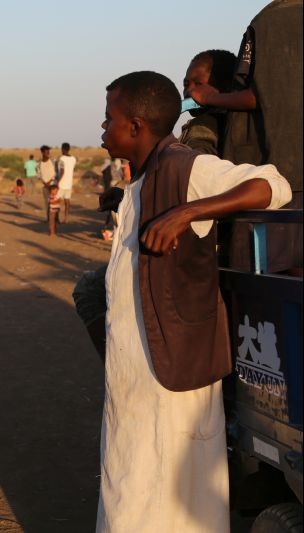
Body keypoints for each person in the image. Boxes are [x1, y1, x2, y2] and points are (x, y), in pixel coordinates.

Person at [96, 71, 291, 532]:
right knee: (131, 485)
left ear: (137, 126)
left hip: (171, 375)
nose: (102, 129)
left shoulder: (185, 166)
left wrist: (187, 212)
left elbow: (272, 184)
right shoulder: (144, 179)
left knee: (174, 499)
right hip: (137, 375)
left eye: (109, 120)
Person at [191, 0, 302, 275]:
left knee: (265, 286)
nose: (191, 93)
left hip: (279, 181)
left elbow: (269, 94)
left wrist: (213, 98)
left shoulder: (276, 20)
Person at [179, 50, 237, 156]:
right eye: (186, 84)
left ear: (225, 87)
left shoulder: (204, 124)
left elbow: (196, 161)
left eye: (198, 84)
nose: (189, 91)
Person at [56, 142, 76, 222]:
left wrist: (58, 181)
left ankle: (57, 217)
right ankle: (66, 218)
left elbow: (62, 171)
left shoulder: (62, 159)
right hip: (69, 183)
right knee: (67, 201)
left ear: (63, 149)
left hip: (61, 183)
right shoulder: (73, 159)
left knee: (58, 201)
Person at [37, 145, 56, 220]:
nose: (48, 153)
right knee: (47, 203)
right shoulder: (39, 164)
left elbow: (56, 173)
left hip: (53, 185)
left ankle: (56, 219)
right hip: (45, 186)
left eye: (49, 151)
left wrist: (50, 181)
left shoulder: (53, 161)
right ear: (42, 152)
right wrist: (45, 183)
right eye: (46, 151)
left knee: (54, 203)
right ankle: (48, 218)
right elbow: (39, 175)